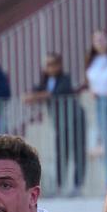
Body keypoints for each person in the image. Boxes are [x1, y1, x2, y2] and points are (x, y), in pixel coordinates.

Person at [23, 53, 85, 195]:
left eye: (52, 64)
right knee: (61, 152)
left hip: (74, 118)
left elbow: (54, 93)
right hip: (60, 122)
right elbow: (32, 93)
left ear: (59, 65)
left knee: (77, 151)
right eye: (47, 64)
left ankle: (77, 185)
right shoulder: (45, 81)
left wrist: (37, 96)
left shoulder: (65, 78)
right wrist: (31, 95)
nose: (49, 67)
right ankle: (59, 186)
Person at [85, 29, 107, 183]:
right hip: (100, 103)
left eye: (102, 39)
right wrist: (93, 90)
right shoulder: (94, 61)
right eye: (96, 40)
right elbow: (92, 81)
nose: (99, 42)